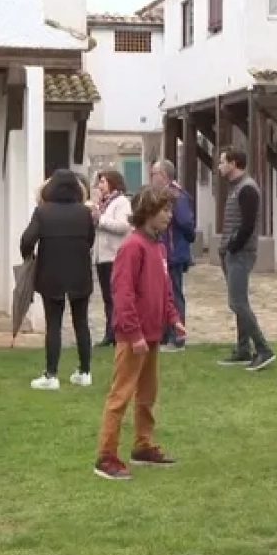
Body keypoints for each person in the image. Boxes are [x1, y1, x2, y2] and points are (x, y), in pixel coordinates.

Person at [93, 185, 185, 480]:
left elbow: (164, 289)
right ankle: (106, 457)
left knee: (147, 394)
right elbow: (123, 294)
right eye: (165, 210)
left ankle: (142, 446)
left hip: (153, 334)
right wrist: (134, 335)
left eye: (170, 209)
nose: (170, 216)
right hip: (134, 338)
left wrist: (173, 318)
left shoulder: (157, 245)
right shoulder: (132, 246)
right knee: (121, 395)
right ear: (148, 212)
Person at [20, 169, 96, 390]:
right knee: (81, 322)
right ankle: (84, 371)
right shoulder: (84, 213)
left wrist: (29, 256)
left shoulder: (43, 212)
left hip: (50, 273)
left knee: (54, 324)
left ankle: (51, 374)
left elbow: (27, 239)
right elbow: (90, 240)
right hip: (80, 273)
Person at [214, 148, 275, 371]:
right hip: (231, 252)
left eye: (222, 162)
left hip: (241, 253)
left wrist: (234, 245)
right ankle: (243, 349)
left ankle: (263, 349)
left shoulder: (247, 188)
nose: (219, 166)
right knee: (237, 301)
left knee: (237, 302)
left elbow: (248, 225)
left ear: (233, 163)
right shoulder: (236, 188)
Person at [150, 160, 196, 351]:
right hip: (165, 251)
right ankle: (165, 334)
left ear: (163, 175)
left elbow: (186, 223)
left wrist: (181, 243)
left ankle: (178, 337)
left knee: (174, 294)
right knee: (164, 293)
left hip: (174, 252)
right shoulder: (164, 194)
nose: (152, 178)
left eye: (154, 174)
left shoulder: (177, 195)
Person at [92, 170, 132, 348]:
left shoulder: (122, 202)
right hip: (102, 257)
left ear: (112, 183)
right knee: (108, 298)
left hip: (114, 255)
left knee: (116, 297)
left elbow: (123, 226)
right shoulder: (103, 204)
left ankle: (119, 332)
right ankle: (110, 332)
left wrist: (100, 219)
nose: (100, 186)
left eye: (103, 182)